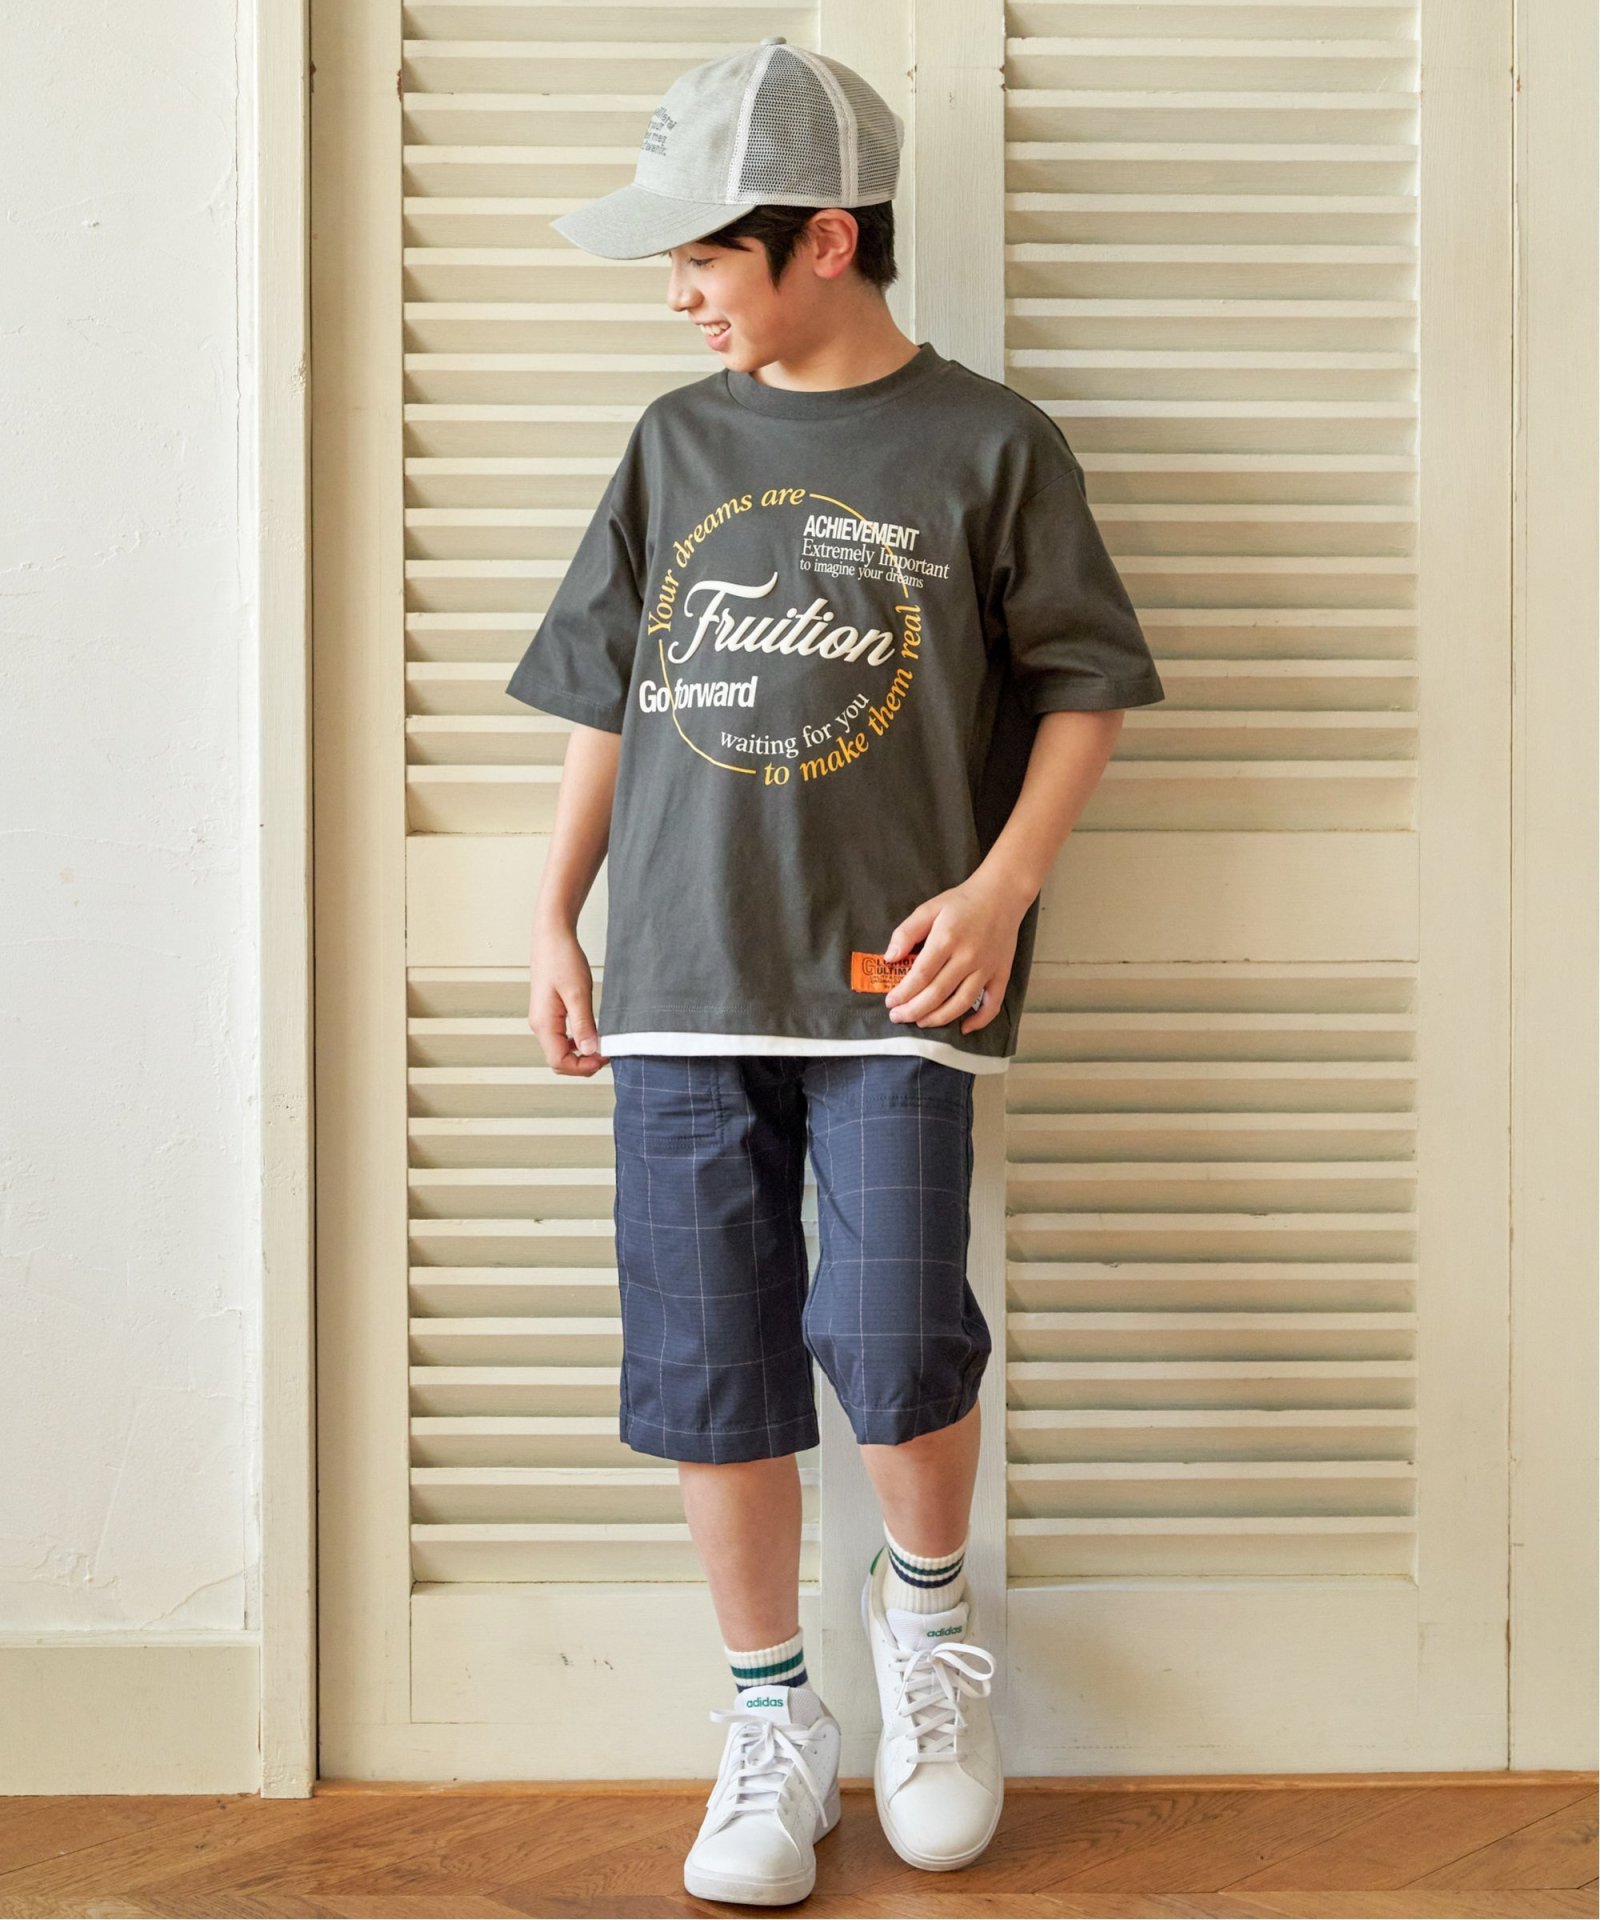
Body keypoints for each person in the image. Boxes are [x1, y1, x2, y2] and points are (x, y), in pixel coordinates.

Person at [505, 35, 1166, 1907]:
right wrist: (553, 914)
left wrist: (1005, 890)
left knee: (892, 1342)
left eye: (700, 255)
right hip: (679, 982)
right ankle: (772, 1719)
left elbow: (1087, 688)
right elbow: (607, 704)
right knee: (712, 1366)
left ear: (821, 236)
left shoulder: (992, 446)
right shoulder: (675, 444)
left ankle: (932, 1639)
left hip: (897, 992)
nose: (677, 296)